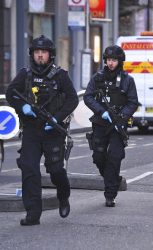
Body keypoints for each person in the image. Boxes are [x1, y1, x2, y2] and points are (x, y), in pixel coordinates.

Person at [6, 35, 78, 225]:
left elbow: (73, 99)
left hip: (53, 130)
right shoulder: (25, 74)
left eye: (43, 52)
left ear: (50, 55)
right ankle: (33, 213)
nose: (40, 56)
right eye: (37, 52)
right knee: (29, 169)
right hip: (31, 130)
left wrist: (57, 118)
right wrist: (23, 107)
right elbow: (11, 93)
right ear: (32, 54)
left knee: (55, 171)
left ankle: (63, 196)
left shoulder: (60, 75)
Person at [83, 45, 138, 207]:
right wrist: (101, 111)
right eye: (108, 60)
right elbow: (88, 97)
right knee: (98, 157)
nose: (111, 63)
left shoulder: (128, 80)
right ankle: (113, 179)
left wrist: (122, 116)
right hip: (100, 123)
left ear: (120, 62)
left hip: (118, 125)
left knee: (115, 157)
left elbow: (132, 102)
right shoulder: (98, 78)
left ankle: (110, 194)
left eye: (114, 60)